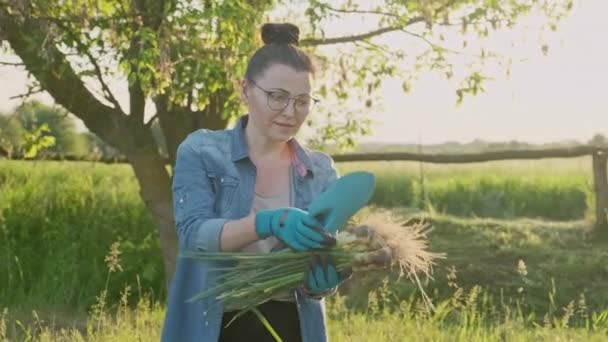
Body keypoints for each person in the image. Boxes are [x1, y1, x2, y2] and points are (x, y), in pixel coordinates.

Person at [161, 23, 349, 342]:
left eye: (302, 101)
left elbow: (322, 260)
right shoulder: (202, 152)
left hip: (292, 326)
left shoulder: (320, 171)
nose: (290, 112)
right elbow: (193, 235)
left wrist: (323, 281)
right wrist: (266, 223)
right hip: (215, 326)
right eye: (277, 97)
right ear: (246, 89)